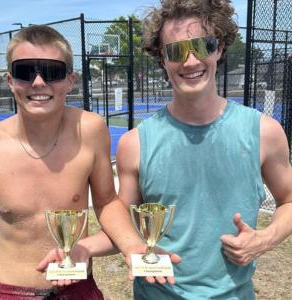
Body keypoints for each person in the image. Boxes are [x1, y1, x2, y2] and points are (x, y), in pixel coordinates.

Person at [0, 25, 142, 299]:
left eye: (52, 72)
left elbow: (107, 202)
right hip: (8, 292)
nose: (38, 82)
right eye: (26, 72)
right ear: (10, 80)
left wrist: (132, 245)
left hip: (77, 290)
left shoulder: (91, 131)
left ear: (70, 80)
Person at [115, 0, 292, 299]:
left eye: (203, 45)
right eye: (176, 51)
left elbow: (289, 200)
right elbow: (119, 213)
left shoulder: (265, 132)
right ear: (162, 57)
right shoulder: (134, 143)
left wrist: (265, 238)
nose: (191, 61)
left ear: (220, 47)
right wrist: (123, 245)